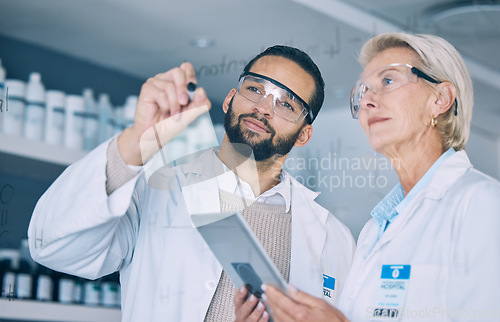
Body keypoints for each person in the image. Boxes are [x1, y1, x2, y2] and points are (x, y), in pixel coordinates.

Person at [28, 45, 355, 321]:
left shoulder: (333, 240)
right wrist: (134, 142)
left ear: (304, 135)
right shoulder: (159, 189)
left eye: (286, 104)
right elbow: (51, 246)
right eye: (255, 88)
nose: (263, 107)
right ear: (230, 99)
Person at [237, 33, 500, 321]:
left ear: (441, 99)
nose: (367, 102)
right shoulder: (374, 231)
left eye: (388, 81)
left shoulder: (481, 203)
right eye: (362, 92)